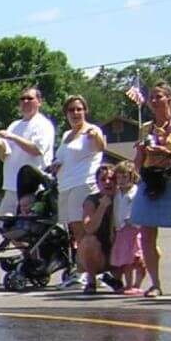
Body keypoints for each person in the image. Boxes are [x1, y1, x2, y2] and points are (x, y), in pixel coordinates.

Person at [130, 82, 171, 297]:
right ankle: (155, 284)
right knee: (147, 232)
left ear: (169, 98)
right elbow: (138, 163)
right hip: (151, 184)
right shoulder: (145, 128)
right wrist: (141, 153)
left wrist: (168, 153)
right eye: (152, 97)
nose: (155, 101)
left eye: (159, 96)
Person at [51, 95, 106, 289]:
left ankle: (88, 273)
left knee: (83, 231)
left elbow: (101, 147)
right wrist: (55, 166)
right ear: (66, 114)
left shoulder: (91, 130)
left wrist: (96, 137)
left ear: (85, 111)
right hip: (65, 186)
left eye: (79, 109)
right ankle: (83, 269)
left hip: (83, 184)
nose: (75, 113)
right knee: (74, 233)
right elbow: (61, 158)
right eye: (71, 110)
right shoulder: (66, 135)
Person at [0, 86, 55, 217]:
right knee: (3, 223)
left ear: (39, 102)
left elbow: (37, 150)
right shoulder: (14, 125)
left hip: (32, 187)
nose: (25, 101)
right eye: (23, 98)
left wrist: (12, 137)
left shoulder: (43, 124)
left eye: (30, 98)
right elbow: (4, 157)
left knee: (28, 228)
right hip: (11, 186)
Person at [76, 165, 118, 295]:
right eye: (103, 179)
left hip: (118, 248)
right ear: (97, 183)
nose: (108, 182)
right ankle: (91, 280)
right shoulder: (91, 201)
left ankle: (121, 281)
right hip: (98, 252)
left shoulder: (124, 197)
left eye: (111, 178)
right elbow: (89, 228)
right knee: (89, 241)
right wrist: (102, 207)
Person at [111, 162, 144, 296]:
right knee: (125, 260)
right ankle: (128, 284)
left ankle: (137, 284)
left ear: (132, 176)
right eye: (119, 178)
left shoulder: (136, 191)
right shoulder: (117, 193)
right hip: (121, 230)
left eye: (125, 177)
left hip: (133, 228)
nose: (122, 181)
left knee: (138, 259)